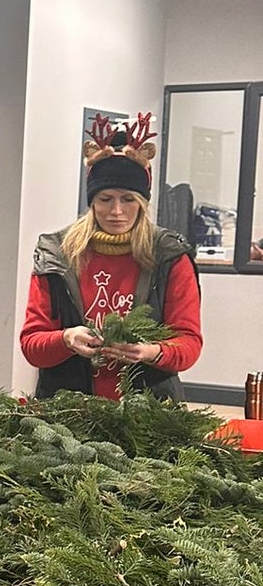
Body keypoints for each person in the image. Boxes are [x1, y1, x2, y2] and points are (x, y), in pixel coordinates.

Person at [19, 112, 202, 400]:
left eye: (128, 199)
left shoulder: (169, 256)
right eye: (105, 199)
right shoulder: (57, 254)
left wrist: (153, 353)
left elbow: (189, 342)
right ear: (92, 202)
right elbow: (32, 343)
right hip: (68, 413)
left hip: (149, 413)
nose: (116, 211)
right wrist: (66, 339)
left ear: (142, 203)